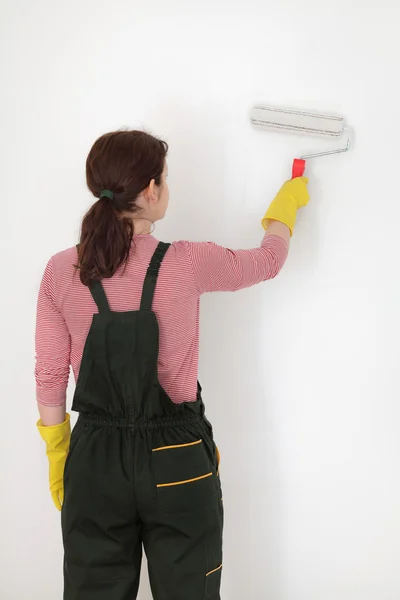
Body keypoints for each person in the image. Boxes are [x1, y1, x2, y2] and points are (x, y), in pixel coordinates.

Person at [35, 129, 309, 600]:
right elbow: (267, 260)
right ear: (150, 190)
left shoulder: (61, 271)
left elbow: (49, 375)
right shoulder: (187, 262)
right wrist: (285, 205)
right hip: (177, 459)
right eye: (165, 177)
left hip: (95, 463)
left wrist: (59, 452)